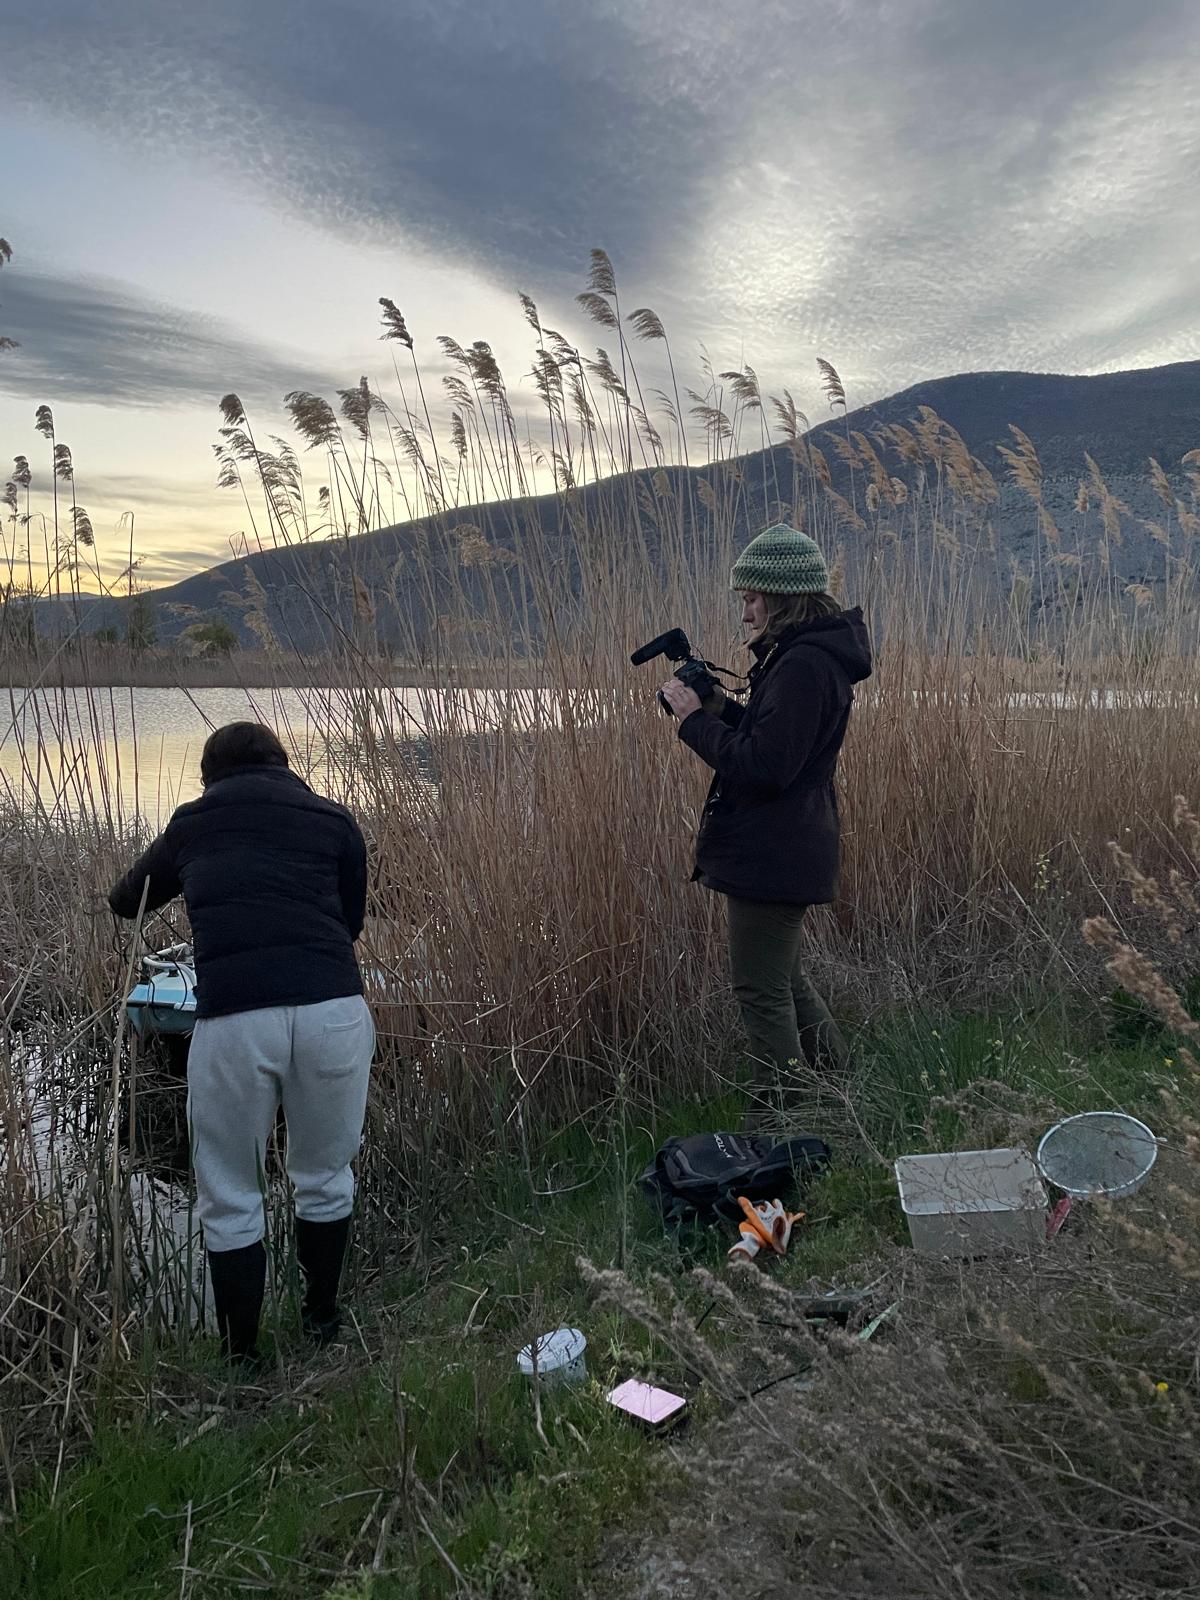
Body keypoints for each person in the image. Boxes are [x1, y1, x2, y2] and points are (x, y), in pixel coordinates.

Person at [108, 721, 374, 1365]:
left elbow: (125, 901)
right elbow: (352, 922)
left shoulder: (192, 823)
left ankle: (242, 1357)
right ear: (283, 764)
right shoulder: (335, 819)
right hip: (332, 1011)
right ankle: (322, 1320)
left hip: (234, 1020)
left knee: (229, 1196)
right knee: (326, 1178)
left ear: (210, 774)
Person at [658, 524, 871, 1121]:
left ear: (782, 597)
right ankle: (839, 1095)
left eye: (752, 598)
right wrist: (720, 706)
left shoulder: (804, 664)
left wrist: (694, 721)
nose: (746, 612)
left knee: (760, 989)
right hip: (787, 847)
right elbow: (772, 737)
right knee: (784, 981)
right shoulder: (805, 659)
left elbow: (765, 767)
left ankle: (785, 1120)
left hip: (776, 853)